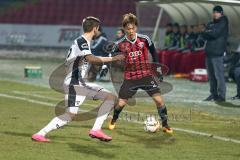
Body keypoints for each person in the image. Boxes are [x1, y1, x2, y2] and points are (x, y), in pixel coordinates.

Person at [31, 16, 124, 142]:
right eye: (97, 27)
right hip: (75, 84)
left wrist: (105, 62)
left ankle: (95, 130)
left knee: (109, 98)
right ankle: (41, 134)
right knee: (72, 114)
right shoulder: (82, 41)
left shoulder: (83, 42)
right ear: (95, 29)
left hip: (79, 83)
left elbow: (88, 59)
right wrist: (113, 59)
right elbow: (91, 59)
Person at [108, 13, 173, 134]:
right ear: (124, 29)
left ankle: (165, 125)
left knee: (159, 101)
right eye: (128, 28)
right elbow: (111, 57)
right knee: (121, 104)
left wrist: (158, 70)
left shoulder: (144, 39)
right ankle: (114, 119)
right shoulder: (120, 44)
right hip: (130, 78)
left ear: (136, 27)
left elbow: (154, 53)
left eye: (133, 28)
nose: (131, 31)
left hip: (146, 76)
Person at [202, 5, 229, 102]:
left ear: (221, 13)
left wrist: (208, 32)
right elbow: (204, 34)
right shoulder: (211, 24)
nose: (215, 14)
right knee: (211, 76)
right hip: (209, 52)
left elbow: (215, 33)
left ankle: (222, 95)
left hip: (218, 53)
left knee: (219, 75)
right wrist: (208, 32)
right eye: (214, 12)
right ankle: (213, 94)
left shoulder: (224, 22)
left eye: (217, 12)